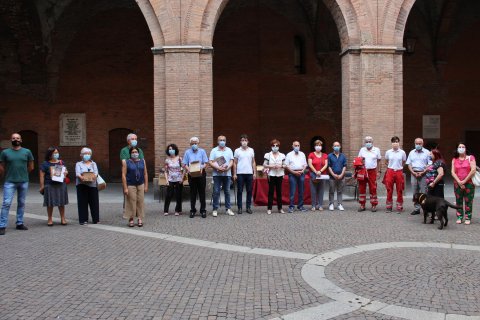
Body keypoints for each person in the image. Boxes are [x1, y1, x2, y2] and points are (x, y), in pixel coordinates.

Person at [0, 133, 34, 235]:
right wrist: (6, 174)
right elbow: (1, 166)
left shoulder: (27, 151)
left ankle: (19, 223)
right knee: (6, 203)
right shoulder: (5, 152)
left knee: (22, 203)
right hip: (9, 181)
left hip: (23, 181)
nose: (16, 139)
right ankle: (2, 225)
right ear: (11, 140)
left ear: (21, 140)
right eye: (14, 138)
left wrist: (24, 173)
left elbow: (31, 166)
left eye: (18, 138)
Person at [39, 147, 69, 226]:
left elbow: (65, 172)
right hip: (49, 184)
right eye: (54, 153)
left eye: (57, 152)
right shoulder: (45, 164)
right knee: (50, 203)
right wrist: (42, 186)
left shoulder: (61, 162)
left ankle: (63, 218)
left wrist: (66, 173)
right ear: (50, 155)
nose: (56, 154)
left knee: (61, 202)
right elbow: (42, 176)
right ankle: (49, 218)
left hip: (60, 184)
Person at [182, 137, 209, 218]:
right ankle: (193, 210)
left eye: (195, 143)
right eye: (192, 143)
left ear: (198, 143)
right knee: (193, 193)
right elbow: (184, 164)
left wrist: (202, 168)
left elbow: (206, 162)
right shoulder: (187, 152)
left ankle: (203, 210)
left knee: (202, 193)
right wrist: (188, 170)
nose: (194, 144)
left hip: (201, 174)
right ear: (190, 144)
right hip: (191, 174)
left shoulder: (202, 151)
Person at [122, 147, 148, 227]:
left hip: (140, 184)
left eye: (136, 152)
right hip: (130, 184)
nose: (135, 153)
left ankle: (140, 218)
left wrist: (146, 185)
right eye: (133, 152)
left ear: (139, 153)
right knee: (131, 202)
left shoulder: (142, 161)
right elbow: (123, 175)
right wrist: (125, 187)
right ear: (130, 154)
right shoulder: (126, 162)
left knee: (140, 201)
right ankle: (131, 218)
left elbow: (145, 173)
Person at [209, 135, 235, 217]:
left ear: (226, 141)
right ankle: (215, 209)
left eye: (224, 140)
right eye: (220, 140)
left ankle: (228, 209)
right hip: (217, 174)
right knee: (216, 191)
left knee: (227, 191)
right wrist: (218, 167)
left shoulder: (229, 150)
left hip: (227, 174)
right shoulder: (214, 150)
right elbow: (210, 162)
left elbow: (232, 161)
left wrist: (228, 167)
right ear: (217, 141)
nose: (222, 141)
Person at [451, 143, 476, 225]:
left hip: (469, 183)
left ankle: (468, 217)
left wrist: (464, 181)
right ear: (457, 149)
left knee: (468, 201)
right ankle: (459, 217)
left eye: (463, 147)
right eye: (459, 147)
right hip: (457, 183)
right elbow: (452, 172)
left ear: (465, 148)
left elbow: (473, 170)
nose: (461, 148)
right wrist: (459, 181)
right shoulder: (454, 159)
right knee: (459, 201)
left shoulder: (471, 158)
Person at [75, 147, 100, 225]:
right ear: (81, 155)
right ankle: (83, 220)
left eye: (88, 154)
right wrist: (81, 177)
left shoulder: (93, 163)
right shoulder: (78, 164)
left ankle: (96, 219)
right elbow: (78, 173)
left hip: (92, 185)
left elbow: (96, 173)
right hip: (81, 185)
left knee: (94, 202)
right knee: (82, 203)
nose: (87, 155)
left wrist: (94, 177)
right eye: (85, 154)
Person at [406, 138, 430, 215]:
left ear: (422, 144)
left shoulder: (427, 152)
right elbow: (409, 164)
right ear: (414, 144)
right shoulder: (411, 152)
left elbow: (429, 164)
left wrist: (423, 172)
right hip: (414, 174)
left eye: (420, 144)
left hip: (423, 174)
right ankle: (417, 208)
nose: (418, 145)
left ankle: (425, 208)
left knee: (424, 192)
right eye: (417, 143)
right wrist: (413, 172)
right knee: (415, 192)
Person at [357, 136, 381, 212]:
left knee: (373, 188)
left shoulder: (376, 150)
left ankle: (374, 205)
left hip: (372, 171)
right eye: (366, 141)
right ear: (364, 143)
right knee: (361, 187)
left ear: (372, 142)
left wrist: (379, 171)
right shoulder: (362, 150)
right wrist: (358, 170)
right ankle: (362, 205)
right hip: (363, 171)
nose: (368, 143)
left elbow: (379, 161)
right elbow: (358, 160)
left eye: (369, 141)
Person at [233, 134, 256, 214]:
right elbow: (235, 163)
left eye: (245, 140)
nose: (244, 142)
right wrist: (234, 174)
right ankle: (239, 208)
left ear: (248, 141)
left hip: (249, 173)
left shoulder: (251, 150)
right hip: (240, 174)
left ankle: (248, 207)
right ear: (240, 141)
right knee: (240, 191)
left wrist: (254, 173)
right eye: (242, 140)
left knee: (249, 191)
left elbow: (253, 162)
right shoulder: (237, 150)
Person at [383, 136, 406, 213]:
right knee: (389, 189)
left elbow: (403, 161)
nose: (395, 143)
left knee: (399, 189)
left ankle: (399, 206)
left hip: (399, 171)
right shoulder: (388, 152)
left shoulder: (402, 152)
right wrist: (390, 167)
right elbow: (386, 161)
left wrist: (399, 166)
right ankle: (389, 206)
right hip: (390, 171)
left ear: (399, 143)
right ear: (391, 143)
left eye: (396, 142)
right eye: (393, 142)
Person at [263, 139, 286, 214]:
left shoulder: (282, 155)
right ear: (271, 146)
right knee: (271, 192)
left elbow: (285, 165)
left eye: (277, 145)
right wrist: (272, 166)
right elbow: (264, 164)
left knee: (279, 192)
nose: (275, 147)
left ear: (279, 146)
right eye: (273, 145)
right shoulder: (268, 155)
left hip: (279, 174)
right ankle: (269, 208)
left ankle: (280, 208)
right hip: (271, 175)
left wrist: (281, 165)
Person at [285, 141, 308, 213]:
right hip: (292, 174)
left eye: (298, 145)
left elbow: (305, 165)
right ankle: (291, 206)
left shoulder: (302, 154)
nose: (297, 147)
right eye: (295, 145)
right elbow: (286, 166)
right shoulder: (289, 155)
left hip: (301, 173)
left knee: (301, 191)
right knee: (292, 191)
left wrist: (302, 171)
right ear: (292, 146)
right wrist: (294, 172)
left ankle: (300, 206)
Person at [308, 140, 328, 211]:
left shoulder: (325, 155)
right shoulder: (311, 154)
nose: (318, 147)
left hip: (322, 175)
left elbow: (326, 164)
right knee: (313, 191)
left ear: (322, 147)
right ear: (314, 146)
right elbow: (310, 164)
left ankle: (320, 205)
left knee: (321, 190)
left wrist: (320, 171)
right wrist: (316, 171)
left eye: (320, 145)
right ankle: (313, 205)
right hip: (313, 175)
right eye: (317, 145)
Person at [164, 144, 184, 216]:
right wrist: (166, 180)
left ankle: (177, 210)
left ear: (175, 150)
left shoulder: (180, 159)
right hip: (170, 179)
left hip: (179, 179)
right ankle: (166, 210)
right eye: (169, 149)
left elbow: (183, 170)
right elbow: (166, 171)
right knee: (169, 195)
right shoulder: (167, 160)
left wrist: (182, 178)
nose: (171, 150)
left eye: (172, 149)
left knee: (178, 195)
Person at [327, 141, 346, 211]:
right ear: (332, 147)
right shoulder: (329, 156)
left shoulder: (343, 156)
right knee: (331, 191)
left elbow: (344, 166)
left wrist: (341, 174)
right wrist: (333, 174)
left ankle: (340, 204)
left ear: (340, 146)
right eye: (335, 146)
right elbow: (328, 166)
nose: (336, 147)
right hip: (332, 177)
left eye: (338, 146)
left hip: (341, 177)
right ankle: (331, 204)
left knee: (340, 191)